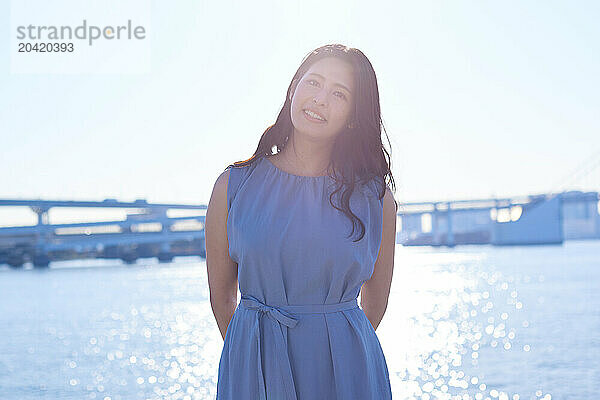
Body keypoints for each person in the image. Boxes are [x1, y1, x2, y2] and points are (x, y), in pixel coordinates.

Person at [205, 43, 397, 400]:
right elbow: (221, 297)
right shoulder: (233, 186)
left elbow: (377, 303)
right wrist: (250, 356)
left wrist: (333, 348)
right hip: (253, 363)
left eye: (339, 94)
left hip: (346, 368)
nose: (320, 99)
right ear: (293, 88)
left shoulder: (376, 199)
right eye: (313, 82)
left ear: (354, 115)